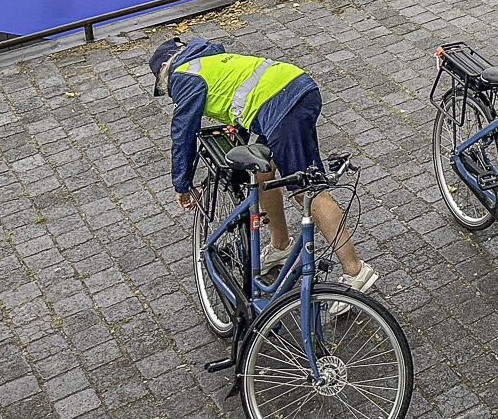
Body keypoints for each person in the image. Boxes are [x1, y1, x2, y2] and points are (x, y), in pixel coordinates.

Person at [150, 37, 377, 300]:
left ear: (165, 66)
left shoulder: (183, 74)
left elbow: (183, 133)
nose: (169, 91)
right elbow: (239, 105)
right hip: (293, 88)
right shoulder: (208, 61)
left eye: (164, 86)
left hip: (283, 105)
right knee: (262, 174)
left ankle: (354, 270)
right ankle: (281, 247)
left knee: (307, 191)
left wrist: (182, 184)